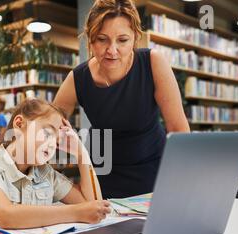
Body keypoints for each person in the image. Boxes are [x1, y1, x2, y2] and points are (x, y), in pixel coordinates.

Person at [53, 0, 190, 199]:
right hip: (103, 177)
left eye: (122, 40)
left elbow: (179, 129)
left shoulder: (153, 63)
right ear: (90, 40)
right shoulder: (78, 78)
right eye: (102, 39)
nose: (112, 50)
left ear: (135, 38)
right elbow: (48, 126)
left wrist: (182, 180)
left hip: (155, 172)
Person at [0, 98, 111, 229]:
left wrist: (81, 153)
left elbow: (95, 207)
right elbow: (6, 215)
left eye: (56, 142)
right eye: (47, 133)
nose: (51, 145)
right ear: (19, 124)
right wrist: (76, 212)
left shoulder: (46, 174)